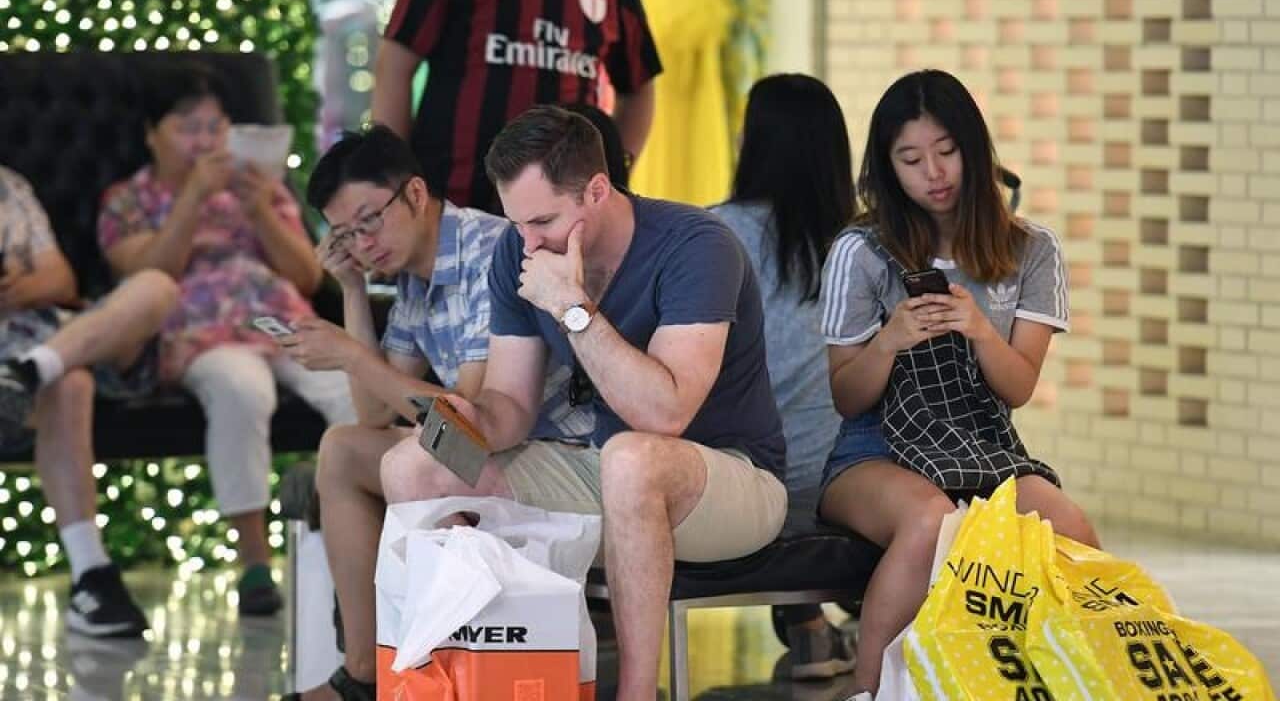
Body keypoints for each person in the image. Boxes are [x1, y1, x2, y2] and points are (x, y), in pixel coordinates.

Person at [374, 105, 788, 701]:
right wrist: (472, 421)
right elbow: (510, 408)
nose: (528, 241)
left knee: (633, 458)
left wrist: (571, 307)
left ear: (596, 190)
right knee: (411, 463)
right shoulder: (519, 253)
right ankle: (451, 680)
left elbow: (665, 415)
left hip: (730, 479)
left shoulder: (698, 246)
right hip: (604, 471)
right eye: (516, 223)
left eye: (542, 220)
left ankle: (637, 694)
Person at [278, 124, 592, 701]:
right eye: (346, 234)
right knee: (344, 448)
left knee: (410, 458)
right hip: (492, 451)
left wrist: (350, 353)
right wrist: (350, 290)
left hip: (547, 454)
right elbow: (371, 411)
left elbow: (473, 418)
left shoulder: (484, 250)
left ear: (416, 194)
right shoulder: (414, 282)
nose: (363, 243)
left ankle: (440, 675)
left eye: (369, 220)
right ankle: (364, 674)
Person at [817, 69, 1099, 698]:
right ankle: (868, 690)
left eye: (947, 152)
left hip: (983, 445)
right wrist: (889, 340)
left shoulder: (1032, 250)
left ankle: (1090, 683)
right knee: (930, 522)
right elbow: (845, 396)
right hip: (874, 451)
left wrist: (977, 327)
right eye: (911, 159)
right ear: (887, 168)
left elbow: (1018, 387)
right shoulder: (860, 251)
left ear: (974, 149)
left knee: (1071, 528)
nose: (934, 173)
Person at [96, 63, 356, 617]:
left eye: (216, 127)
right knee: (243, 391)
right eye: (188, 127)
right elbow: (149, 276)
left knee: (351, 391)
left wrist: (260, 207)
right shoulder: (129, 199)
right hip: (200, 333)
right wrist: (192, 198)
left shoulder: (259, 186)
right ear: (152, 133)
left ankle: (361, 547)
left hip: (281, 322)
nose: (206, 141)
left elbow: (307, 278)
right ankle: (255, 563)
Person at [710, 73, 855, 680]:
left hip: (747, 496)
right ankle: (827, 626)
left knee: (741, 432)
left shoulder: (710, 234)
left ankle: (812, 628)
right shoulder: (862, 244)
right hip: (850, 493)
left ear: (753, 142)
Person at [0, 164, 178, 637]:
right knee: (72, 385)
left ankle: (27, 372)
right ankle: (92, 575)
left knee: (155, 286)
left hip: (59, 336)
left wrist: (22, 284)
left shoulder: (11, 185)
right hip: (42, 362)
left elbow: (60, 279)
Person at [372, 0, 662, 213]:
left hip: (564, 213)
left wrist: (613, 174)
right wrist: (394, 188)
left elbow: (639, 86)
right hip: (452, 207)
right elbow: (394, 67)